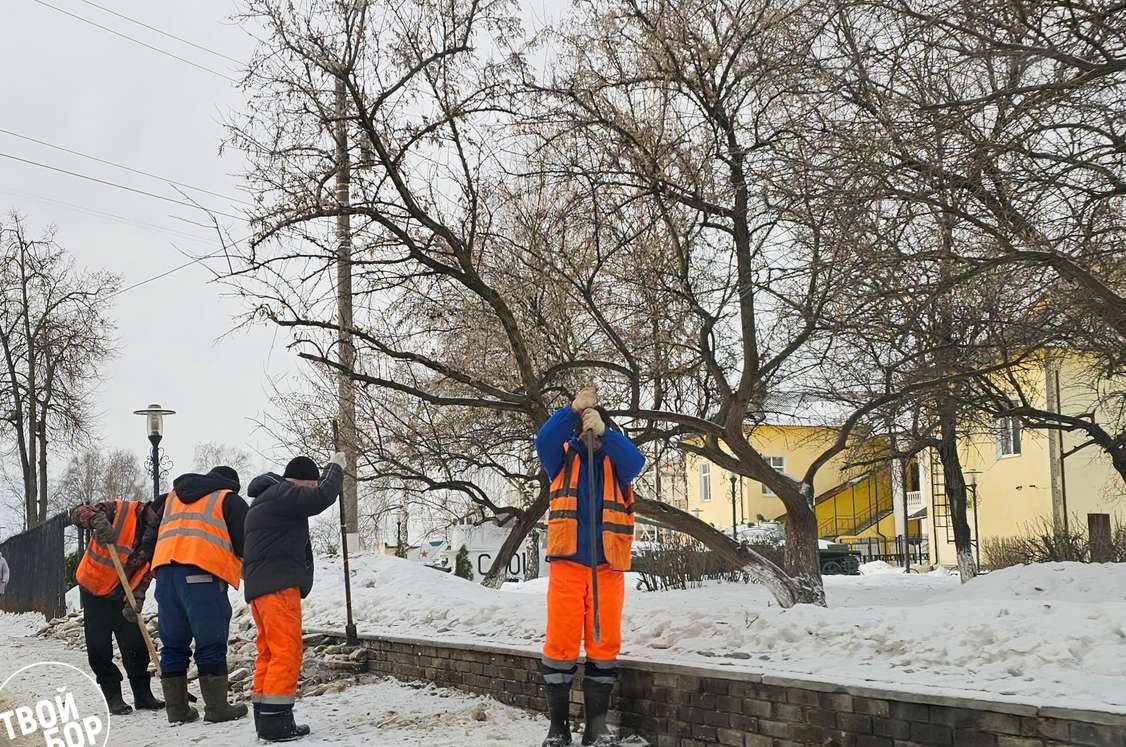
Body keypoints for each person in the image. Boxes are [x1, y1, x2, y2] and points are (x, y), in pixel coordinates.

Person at [536, 386, 645, 747]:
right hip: (569, 565)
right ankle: (558, 729)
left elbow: (637, 461)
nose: (590, 436)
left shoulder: (618, 464)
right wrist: (572, 410)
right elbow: (543, 440)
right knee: (560, 646)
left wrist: (606, 434)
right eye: (586, 428)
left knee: (603, 647)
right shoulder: (562, 459)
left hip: (607, 568)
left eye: (594, 429)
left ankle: (595, 729)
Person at [243, 453, 345, 742]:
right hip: (278, 588)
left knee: (268, 652)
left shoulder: (265, 500)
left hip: (261, 590)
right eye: (310, 485)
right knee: (286, 651)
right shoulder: (283, 494)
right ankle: (276, 724)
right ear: (302, 482)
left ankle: (265, 718)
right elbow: (321, 498)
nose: (311, 491)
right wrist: (335, 468)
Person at [152, 466, 249, 725]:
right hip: (201, 576)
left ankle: (177, 710)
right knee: (210, 642)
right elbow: (247, 542)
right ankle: (217, 708)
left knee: (172, 644)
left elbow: (149, 525)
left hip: (164, 576)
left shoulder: (172, 497)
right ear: (232, 485)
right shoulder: (227, 498)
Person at [69, 498, 165, 715]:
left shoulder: (157, 535)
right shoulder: (119, 510)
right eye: (155, 519)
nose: (156, 524)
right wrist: (95, 519)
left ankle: (143, 695)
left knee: (136, 644)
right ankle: (113, 697)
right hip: (94, 588)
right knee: (99, 646)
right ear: (150, 508)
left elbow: (146, 571)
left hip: (124, 595)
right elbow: (76, 512)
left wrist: (138, 598)